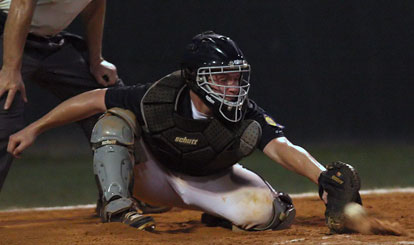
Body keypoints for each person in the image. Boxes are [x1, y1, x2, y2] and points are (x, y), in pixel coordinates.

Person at [7, 31, 362, 232]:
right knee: (114, 119)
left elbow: (281, 146)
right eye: (221, 77)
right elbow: (91, 100)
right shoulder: (159, 97)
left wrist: (322, 178)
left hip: (209, 180)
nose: (231, 85)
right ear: (194, 78)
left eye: (235, 77)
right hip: (156, 176)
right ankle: (116, 207)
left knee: (269, 215)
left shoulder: (243, 111)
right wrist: (36, 128)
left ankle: (219, 215)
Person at [0, 0, 121, 191]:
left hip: (49, 42)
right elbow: (23, 2)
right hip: (6, 34)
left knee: (111, 102)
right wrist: (9, 69)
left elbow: (95, 4)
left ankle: (123, 193)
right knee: (4, 117)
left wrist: (96, 59)